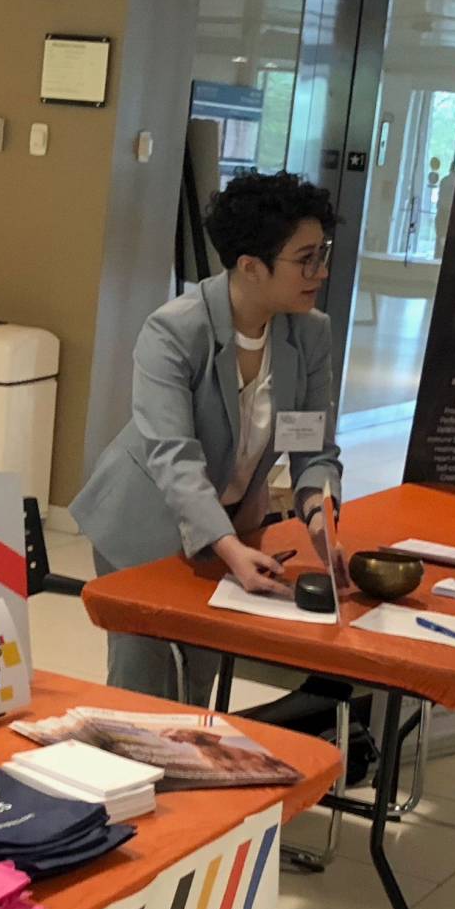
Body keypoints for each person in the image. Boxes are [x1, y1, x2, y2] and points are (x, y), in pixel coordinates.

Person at [73, 170, 344, 699]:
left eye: (323, 252)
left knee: (198, 674)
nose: (322, 270)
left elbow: (315, 447)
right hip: (141, 522)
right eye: (306, 258)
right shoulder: (173, 330)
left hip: (230, 523)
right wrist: (226, 546)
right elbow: (173, 456)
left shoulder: (310, 334)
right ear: (250, 267)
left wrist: (319, 511)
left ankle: (190, 775)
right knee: (143, 678)